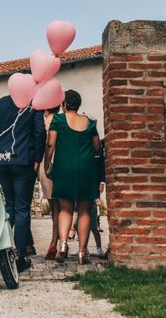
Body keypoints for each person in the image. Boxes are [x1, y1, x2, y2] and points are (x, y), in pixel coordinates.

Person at [0, 95, 45, 272]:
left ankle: (2, 250)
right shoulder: (33, 103)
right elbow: (40, 131)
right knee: (22, 209)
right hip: (24, 161)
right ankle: (20, 256)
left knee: (9, 207)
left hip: (2, 161)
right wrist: (37, 158)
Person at [44, 90, 100, 265]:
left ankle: (62, 245)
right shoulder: (90, 123)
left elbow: (51, 144)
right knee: (84, 211)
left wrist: (47, 164)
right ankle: (83, 253)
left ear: (64, 104)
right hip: (86, 170)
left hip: (64, 168)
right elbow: (97, 146)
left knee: (65, 209)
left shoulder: (58, 120)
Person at [39, 105, 61, 260]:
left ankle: (55, 243)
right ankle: (59, 242)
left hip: (48, 163)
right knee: (61, 206)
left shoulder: (46, 120)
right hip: (62, 161)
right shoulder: (61, 119)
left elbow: (48, 144)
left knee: (55, 207)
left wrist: (45, 164)